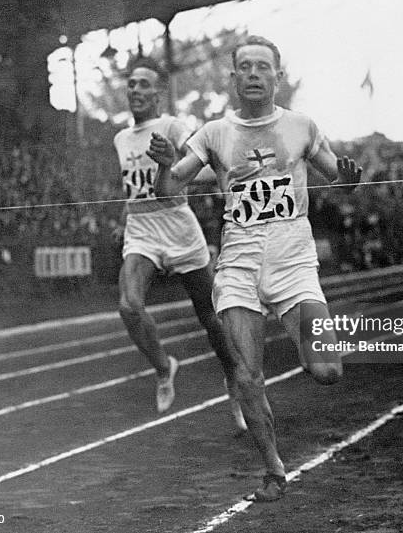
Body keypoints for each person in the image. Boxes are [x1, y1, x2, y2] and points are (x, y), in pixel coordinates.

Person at [147, 36, 362, 501]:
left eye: (262, 67)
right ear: (233, 76)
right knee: (247, 375)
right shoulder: (214, 133)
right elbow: (170, 190)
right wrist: (165, 167)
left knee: (327, 370)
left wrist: (348, 178)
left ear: (277, 76)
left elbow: (337, 179)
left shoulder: (301, 126)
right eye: (244, 66)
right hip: (239, 262)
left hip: (293, 260)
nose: (253, 74)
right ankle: (274, 470)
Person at [113, 57, 245, 427]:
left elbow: (200, 168)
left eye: (143, 84)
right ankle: (163, 367)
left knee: (211, 317)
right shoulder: (120, 138)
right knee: (128, 306)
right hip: (141, 228)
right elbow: (131, 188)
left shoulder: (172, 125)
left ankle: (234, 381)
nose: (135, 90)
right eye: (131, 83)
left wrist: (170, 164)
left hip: (178, 225)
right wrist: (123, 219)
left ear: (157, 92)